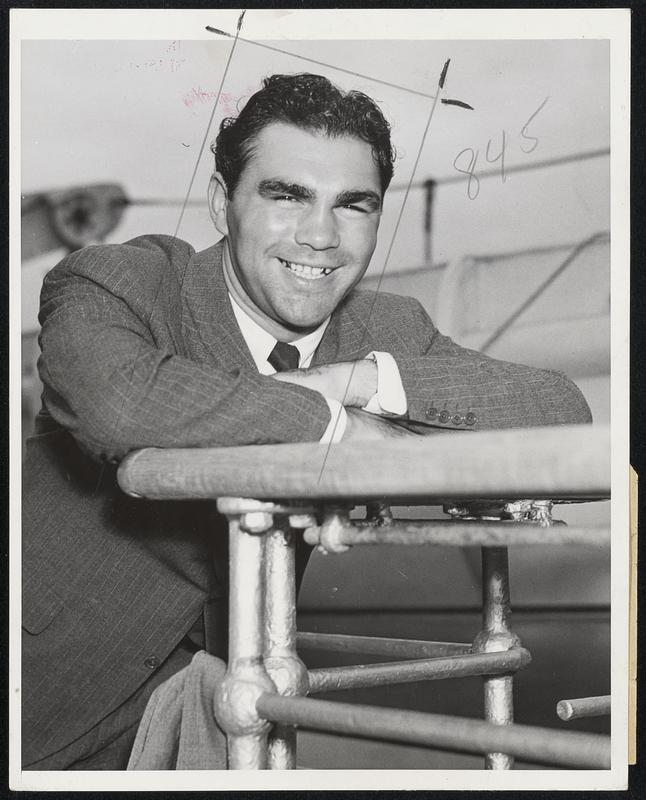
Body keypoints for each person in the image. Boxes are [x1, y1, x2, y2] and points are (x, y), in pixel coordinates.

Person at [22, 72, 592, 770]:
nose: (321, 236)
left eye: (353, 205)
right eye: (287, 195)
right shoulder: (118, 280)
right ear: (220, 201)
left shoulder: (384, 329)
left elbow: (561, 410)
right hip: (38, 691)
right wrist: (337, 426)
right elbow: (121, 404)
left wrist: (357, 381)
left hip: (214, 713)